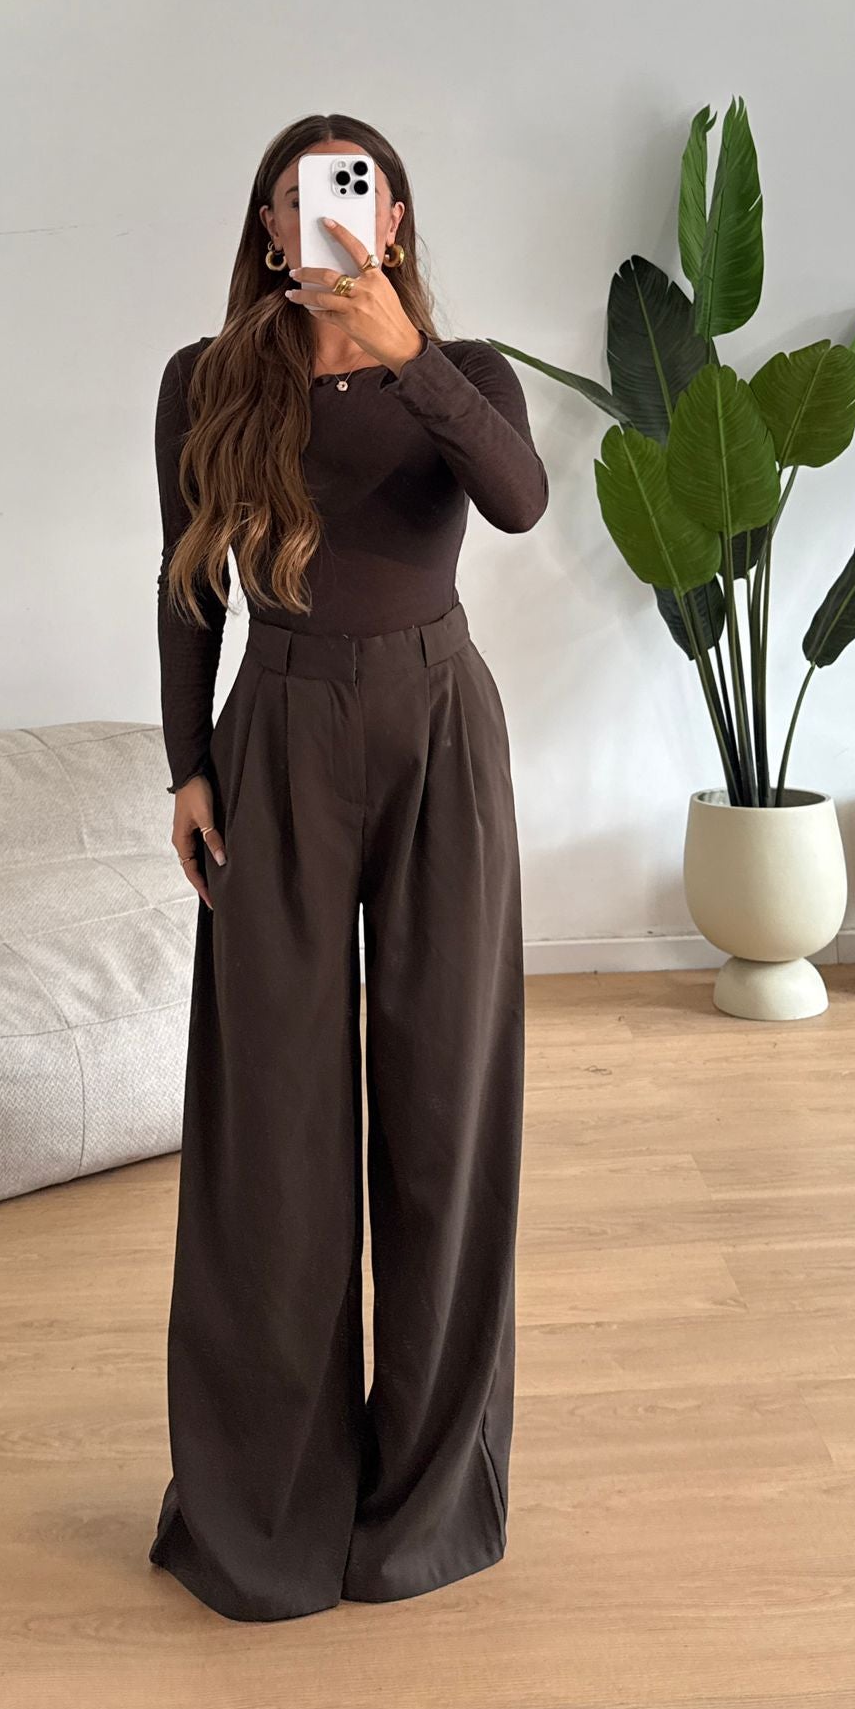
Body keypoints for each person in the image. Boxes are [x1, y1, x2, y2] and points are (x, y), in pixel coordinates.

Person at [147, 112, 549, 1622]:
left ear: (392, 223)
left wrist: (405, 352)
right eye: (299, 195)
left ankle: (423, 1511)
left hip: (442, 732)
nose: (327, 214)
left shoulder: (471, 374)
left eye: (356, 192)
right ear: (268, 229)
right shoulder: (205, 383)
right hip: (276, 736)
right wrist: (185, 762)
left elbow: (519, 498)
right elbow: (187, 584)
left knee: (446, 1109)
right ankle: (265, 1515)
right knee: (272, 1126)